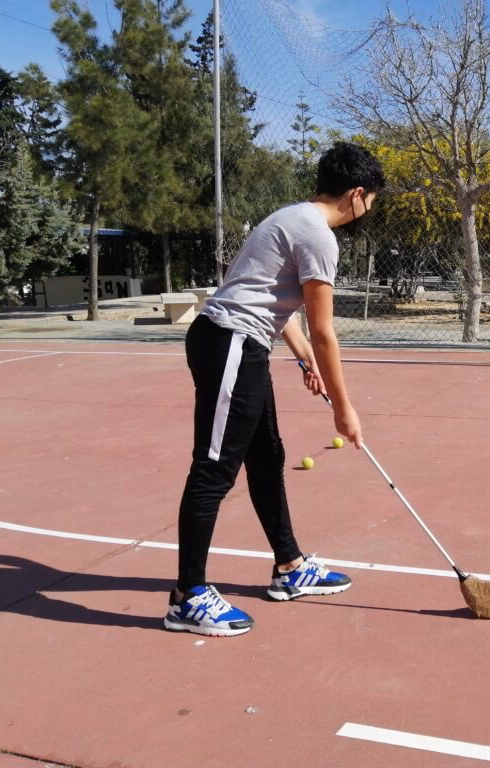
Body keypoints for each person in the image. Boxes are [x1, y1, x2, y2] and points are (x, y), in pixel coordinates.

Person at [164, 142, 385, 637]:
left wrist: (303, 356)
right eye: (370, 200)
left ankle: (289, 567)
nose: (367, 210)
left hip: (242, 343)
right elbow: (325, 329)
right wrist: (344, 410)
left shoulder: (291, 217)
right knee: (215, 467)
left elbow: (269, 295)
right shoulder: (319, 237)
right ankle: (187, 595)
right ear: (356, 193)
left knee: (266, 456)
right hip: (231, 343)